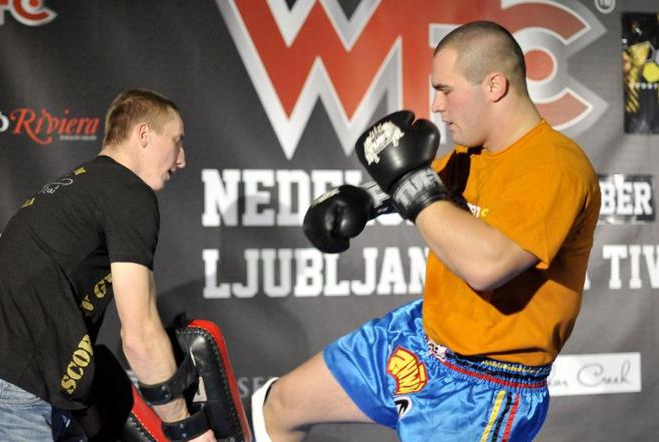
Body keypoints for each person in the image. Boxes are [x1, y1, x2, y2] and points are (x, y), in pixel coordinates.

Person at [252, 21, 601, 441]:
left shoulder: (555, 166)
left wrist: (408, 187)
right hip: (418, 339)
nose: (436, 105)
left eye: (446, 90)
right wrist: (364, 199)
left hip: (485, 386)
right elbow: (425, 190)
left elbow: (488, 264)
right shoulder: (470, 155)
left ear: (494, 86)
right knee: (280, 404)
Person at [0, 89, 215, 441]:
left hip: (23, 396)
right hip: (10, 399)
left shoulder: (85, 187)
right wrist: (186, 427)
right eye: (177, 142)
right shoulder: (127, 191)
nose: (182, 160)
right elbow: (140, 337)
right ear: (144, 134)